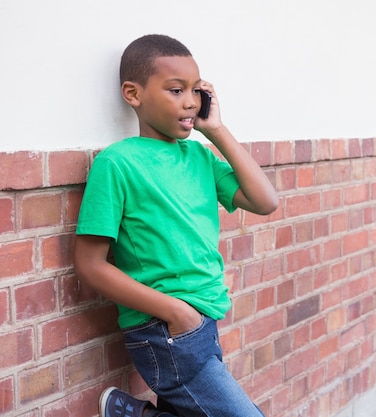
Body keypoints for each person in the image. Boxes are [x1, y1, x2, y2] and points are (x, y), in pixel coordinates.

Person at [74, 34, 278, 417]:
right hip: (165, 329)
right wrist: (175, 312)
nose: (190, 101)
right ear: (133, 94)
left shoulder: (199, 156)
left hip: (203, 321)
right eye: (175, 90)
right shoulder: (118, 163)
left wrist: (216, 129)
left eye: (196, 90)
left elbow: (265, 201)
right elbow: (90, 265)